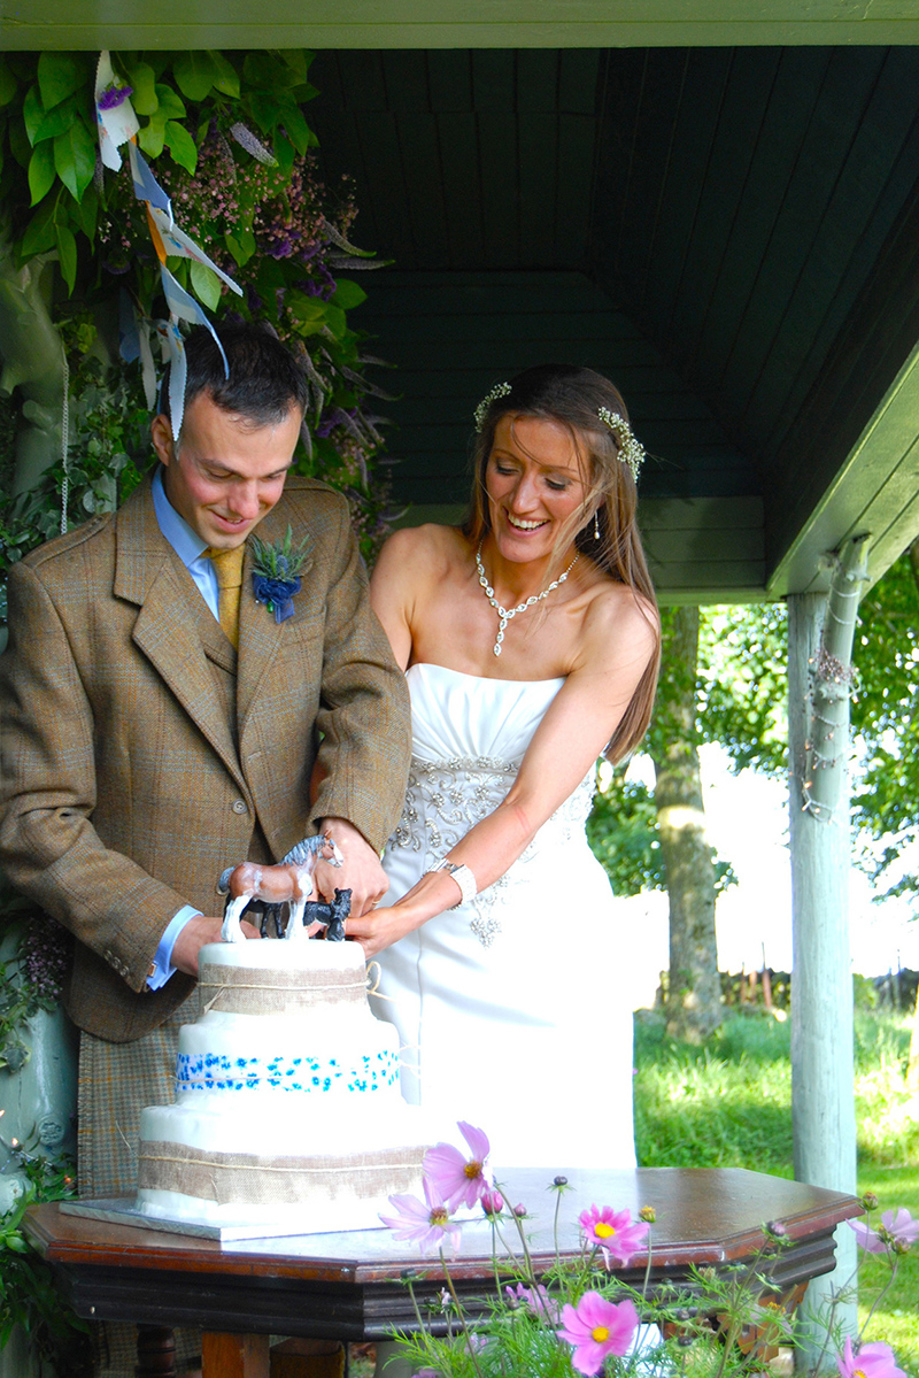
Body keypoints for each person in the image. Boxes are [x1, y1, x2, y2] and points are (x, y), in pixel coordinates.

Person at [0, 323, 410, 1372]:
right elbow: (34, 815)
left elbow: (365, 691)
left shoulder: (306, 531)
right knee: (164, 1334)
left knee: (328, 1299)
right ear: (160, 436)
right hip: (152, 1012)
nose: (247, 503)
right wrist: (183, 935)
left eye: (271, 476)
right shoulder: (65, 586)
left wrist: (349, 825)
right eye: (221, 473)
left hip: (314, 995)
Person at [351, 364, 660, 1172]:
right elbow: (361, 734)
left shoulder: (616, 621)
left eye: (556, 481)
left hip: (539, 947)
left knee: (545, 1199)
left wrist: (412, 910)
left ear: (600, 491)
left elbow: (526, 806)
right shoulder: (415, 558)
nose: (522, 501)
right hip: (387, 927)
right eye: (506, 467)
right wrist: (342, 866)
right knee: (392, 1190)